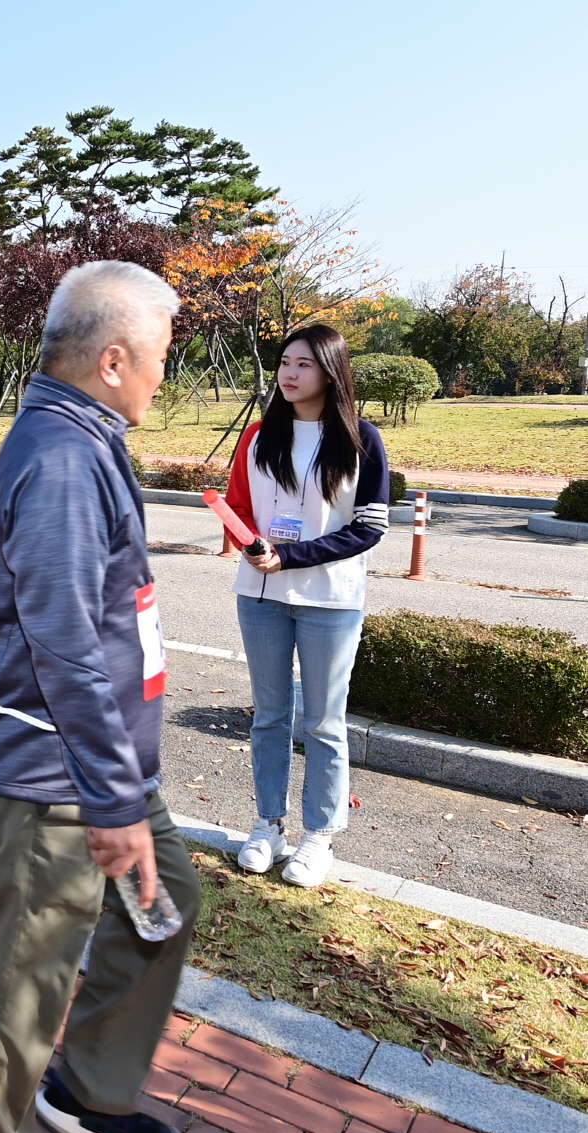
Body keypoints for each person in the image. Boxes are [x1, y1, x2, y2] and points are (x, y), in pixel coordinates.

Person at [0, 262, 201, 1133]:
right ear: (112, 357)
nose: (166, 373)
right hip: (56, 773)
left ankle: (89, 1080)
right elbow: (64, 637)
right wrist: (114, 792)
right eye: (160, 355)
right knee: (26, 969)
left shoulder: (87, 438)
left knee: (165, 910)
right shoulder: (65, 459)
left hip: (104, 764)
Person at [220, 325, 388, 888]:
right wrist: (251, 545)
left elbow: (368, 529)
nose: (289, 374)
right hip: (260, 596)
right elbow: (239, 507)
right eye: (285, 362)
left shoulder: (362, 439)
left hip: (331, 600)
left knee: (323, 721)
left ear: (332, 372)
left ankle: (319, 836)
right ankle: (268, 824)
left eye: (304, 365)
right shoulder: (259, 435)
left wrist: (290, 556)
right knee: (269, 716)